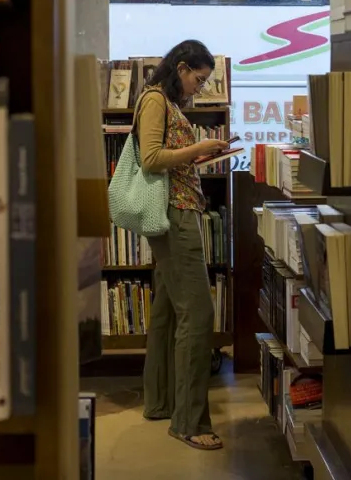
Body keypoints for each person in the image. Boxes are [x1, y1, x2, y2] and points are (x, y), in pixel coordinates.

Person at [134, 39, 230, 451]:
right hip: (174, 214)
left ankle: (160, 402)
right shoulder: (156, 99)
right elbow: (151, 158)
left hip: (174, 210)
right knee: (197, 312)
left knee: (168, 312)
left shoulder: (163, 100)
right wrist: (198, 148)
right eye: (199, 79)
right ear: (182, 67)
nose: (199, 88)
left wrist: (197, 155)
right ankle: (189, 423)